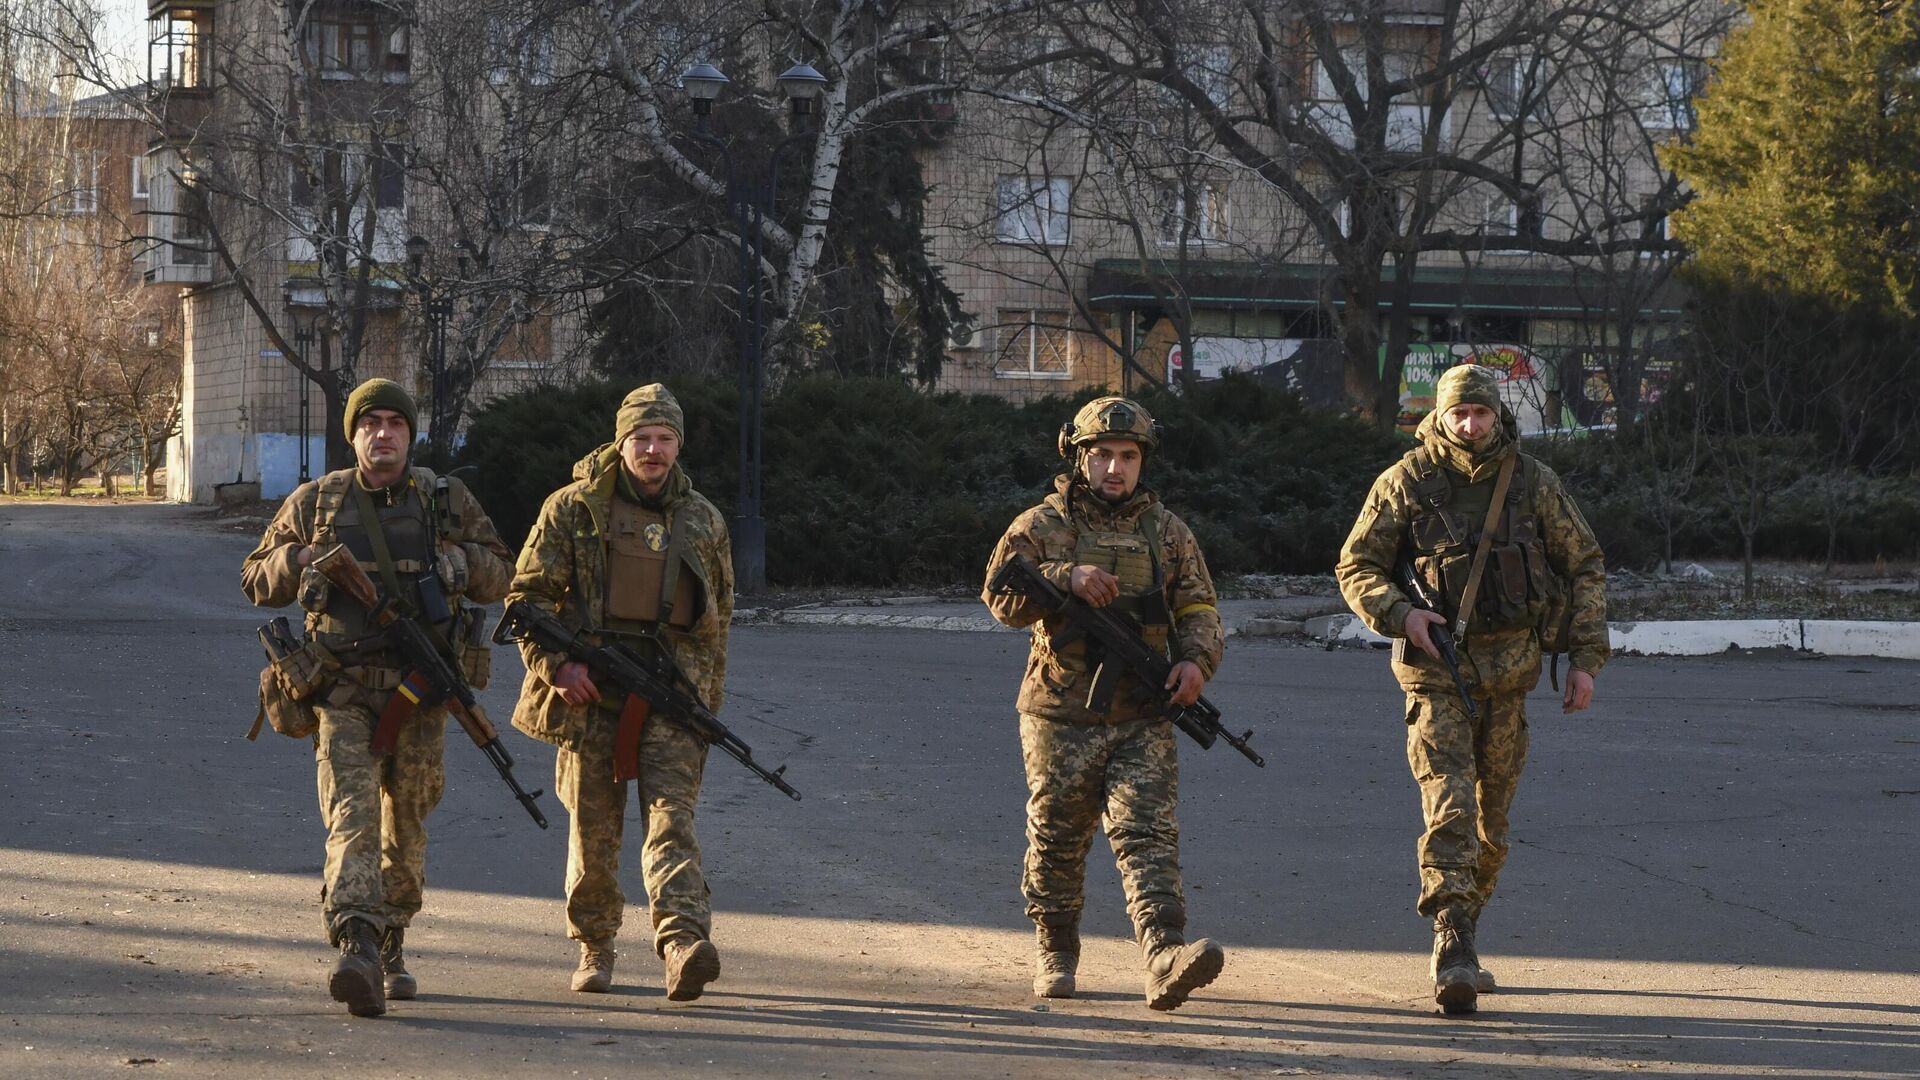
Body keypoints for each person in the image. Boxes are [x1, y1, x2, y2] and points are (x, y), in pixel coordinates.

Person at [1335, 364, 1609, 1015]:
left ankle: (1467, 929)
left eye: (1481, 414)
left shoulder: (1533, 483)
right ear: (1441, 415)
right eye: (1459, 414)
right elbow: (1358, 564)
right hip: (1436, 675)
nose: (1469, 425)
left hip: (1510, 678)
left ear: (1496, 416)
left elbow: (1584, 563)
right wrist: (1402, 615)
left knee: (1493, 827)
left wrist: (1584, 658)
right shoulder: (1407, 481)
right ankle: (1451, 942)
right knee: (1450, 806)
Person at [241, 378, 513, 1017]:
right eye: (371, 423)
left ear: (410, 435)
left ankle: (391, 937)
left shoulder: (445, 501)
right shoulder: (317, 501)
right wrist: (301, 557)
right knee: (352, 816)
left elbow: (502, 573)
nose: (383, 433)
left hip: (420, 695)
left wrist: (459, 563)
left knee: (407, 823)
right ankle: (356, 944)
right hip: (342, 692)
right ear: (354, 434)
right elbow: (256, 578)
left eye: (395, 422)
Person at [981, 396, 1228, 1011]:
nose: (1114, 468)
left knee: (1147, 833)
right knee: (1058, 838)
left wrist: (1196, 662)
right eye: (1101, 455)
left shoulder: (1168, 532)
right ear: (1078, 456)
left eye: (1127, 456)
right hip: (1058, 713)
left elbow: (1199, 607)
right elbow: (1000, 600)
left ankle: (1164, 953)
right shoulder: (1040, 525)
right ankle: (1057, 947)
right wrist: (1065, 576)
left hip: (1142, 712)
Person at [504, 384, 735, 1000]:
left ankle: (683, 942)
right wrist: (555, 666)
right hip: (591, 695)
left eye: (664, 439)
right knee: (593, 830)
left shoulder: (704, 521)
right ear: (620, 442)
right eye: (641, 438)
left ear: (679, 444)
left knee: (671, 822)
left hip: (671, 694)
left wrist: (702, 706)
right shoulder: (573, 509)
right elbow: (525, 600)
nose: (653, 450)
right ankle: (595, 945)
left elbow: (719, 619)